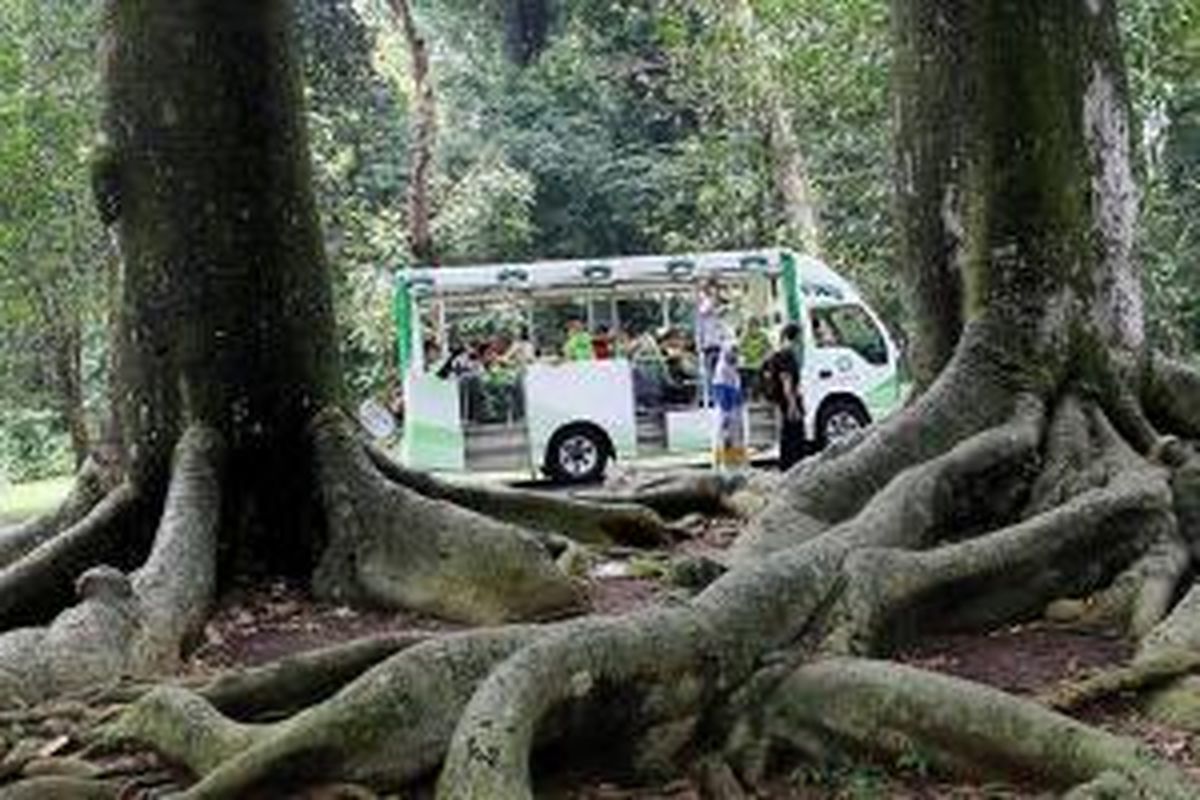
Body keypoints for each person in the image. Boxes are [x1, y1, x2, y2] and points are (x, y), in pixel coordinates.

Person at [764, 323, 805, 470]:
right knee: (794, 436)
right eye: (800, 337)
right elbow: (786, 381)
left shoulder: (778, 354)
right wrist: (793, 406)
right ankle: (795, 467)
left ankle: (787, 467)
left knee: (787, 435)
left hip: (784, 401)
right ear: (794, 337)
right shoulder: (787, 355)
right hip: (789, 400)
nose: (801, 341)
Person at [711, 341, 748, 473]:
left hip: (736, 409)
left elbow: (738, 390)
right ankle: (724, 466)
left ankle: (737, 464)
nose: (735, 355)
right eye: (733, 352)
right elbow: (722, 393)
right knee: (724, 437)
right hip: (726, 410)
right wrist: (726, 414)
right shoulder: (722, 370)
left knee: (738, 438)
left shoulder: (733, 368)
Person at [695, 278, 724, 404]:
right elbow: (706, 311)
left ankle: (715, 397)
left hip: (716, 343)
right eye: (714, 289)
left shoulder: (712, 304)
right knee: (711, 372)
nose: (717, 292)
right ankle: (710, 398)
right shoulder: (706, 303)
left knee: (716, 371)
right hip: (709, 344)